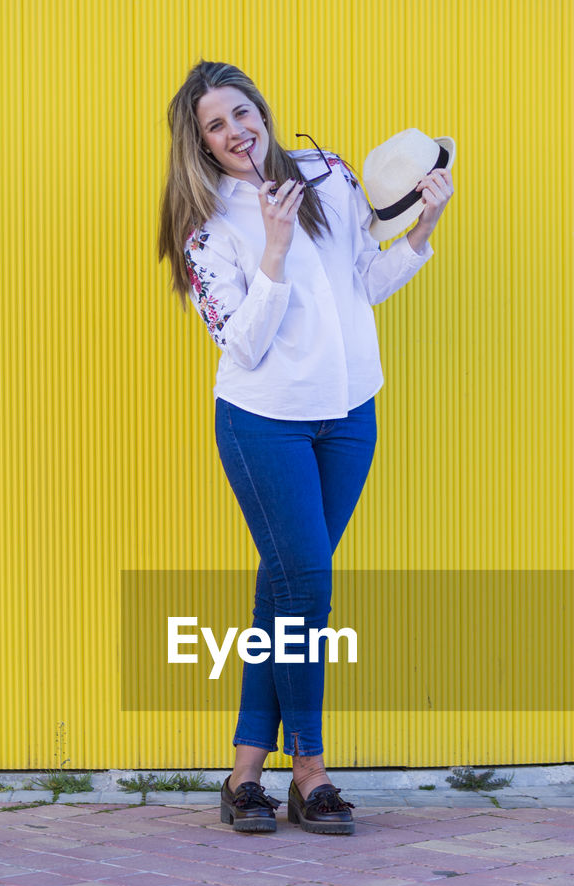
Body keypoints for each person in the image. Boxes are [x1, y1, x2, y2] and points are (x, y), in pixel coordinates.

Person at [158, 60, 453, 836]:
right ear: (201, 144)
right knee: (307, 590)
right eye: (214, 125)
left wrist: (423, 226)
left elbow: (366, 282)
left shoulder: (326, 175)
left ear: (262, 110)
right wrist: (275, 249)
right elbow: (244, 345)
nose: (234, 130)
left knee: (282, 591)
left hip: (350, 416)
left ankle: (244, 772)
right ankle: (310, 771)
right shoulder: (204, 227)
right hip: (264, 423)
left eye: (240, 111)